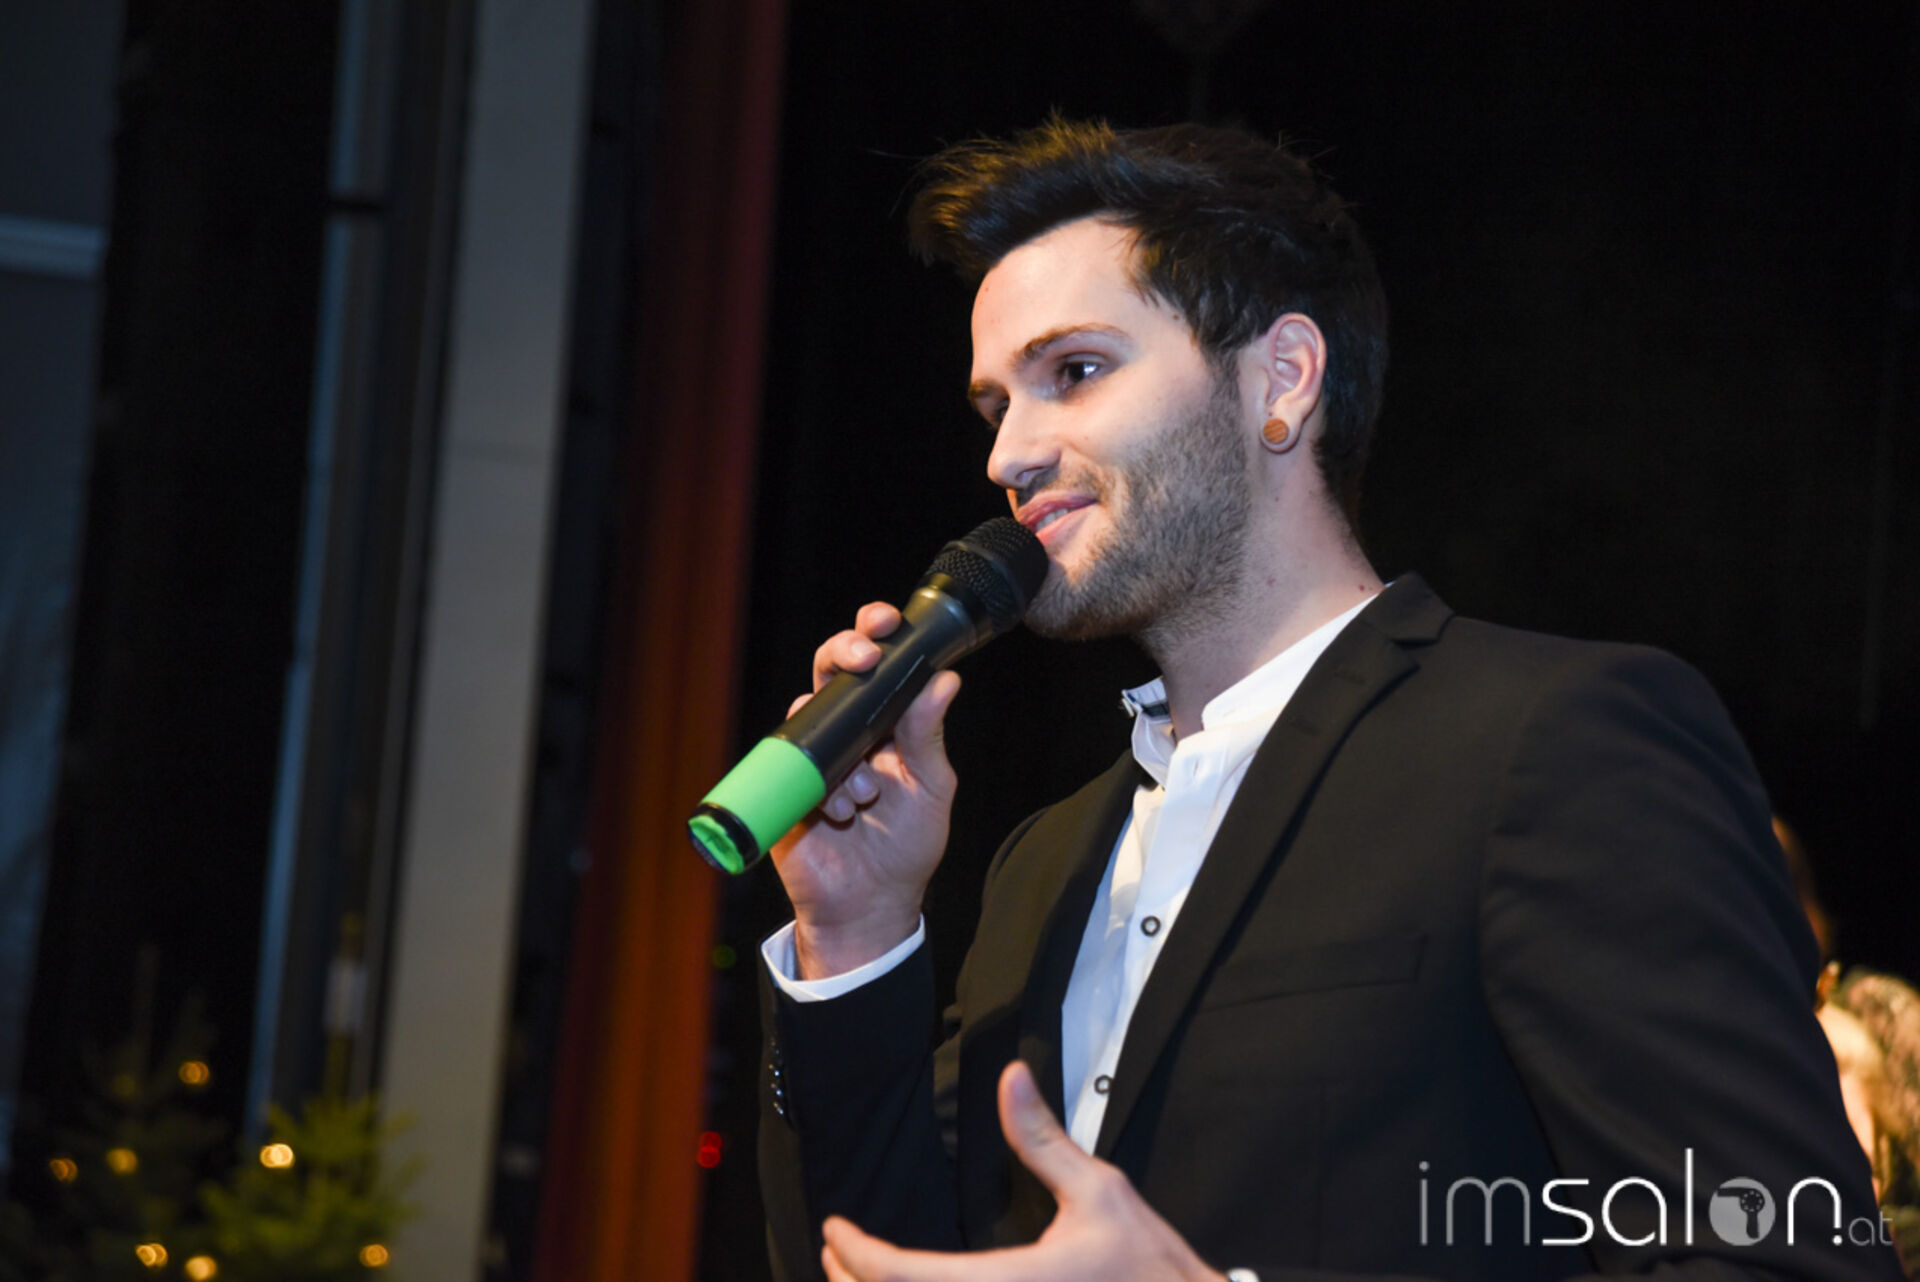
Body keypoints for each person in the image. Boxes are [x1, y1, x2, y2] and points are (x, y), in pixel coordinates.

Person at [754, 118, 1902, 1281]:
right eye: (996, 405)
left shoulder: (1550, 748)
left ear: (1284, 377)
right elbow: (870, 1260)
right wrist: (853, 934)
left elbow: (1787, 1254)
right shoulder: (1041, 865)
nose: (1009, 455)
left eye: (1076, 373)